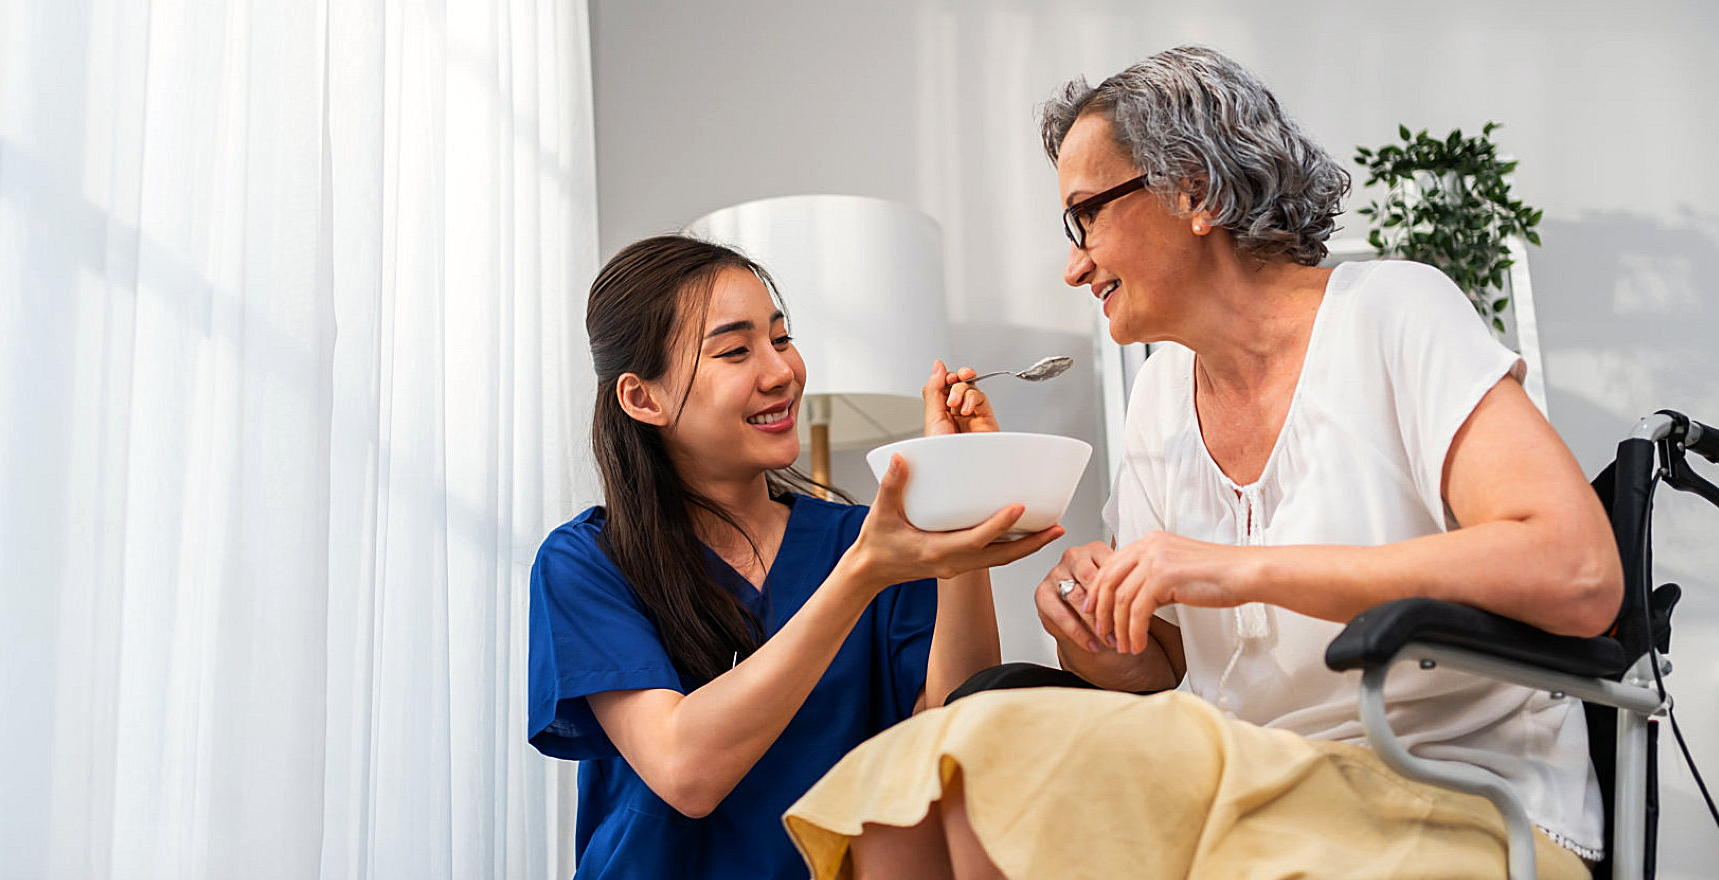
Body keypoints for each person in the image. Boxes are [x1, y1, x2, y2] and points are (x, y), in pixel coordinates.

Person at [783, 46, 1620, 880]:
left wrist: (1238, 568)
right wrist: (1102, 635)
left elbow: (1577, 573)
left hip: (1453, 800)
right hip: (1253, 791)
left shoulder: (1394, 314)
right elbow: (1161, 674)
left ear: (1194, 189)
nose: (1073, 264)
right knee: (909, 798)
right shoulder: (1160, 396)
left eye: (1086, 216)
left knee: (984, 765)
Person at [526, 234, 1063, 878]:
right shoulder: (587, 563)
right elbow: (684, 770)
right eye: (734, 351)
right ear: (644, 398)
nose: (781, 372)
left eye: (780, 339)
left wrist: (955, 503)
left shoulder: (861, 539)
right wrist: (863, 575)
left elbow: (955, 734)